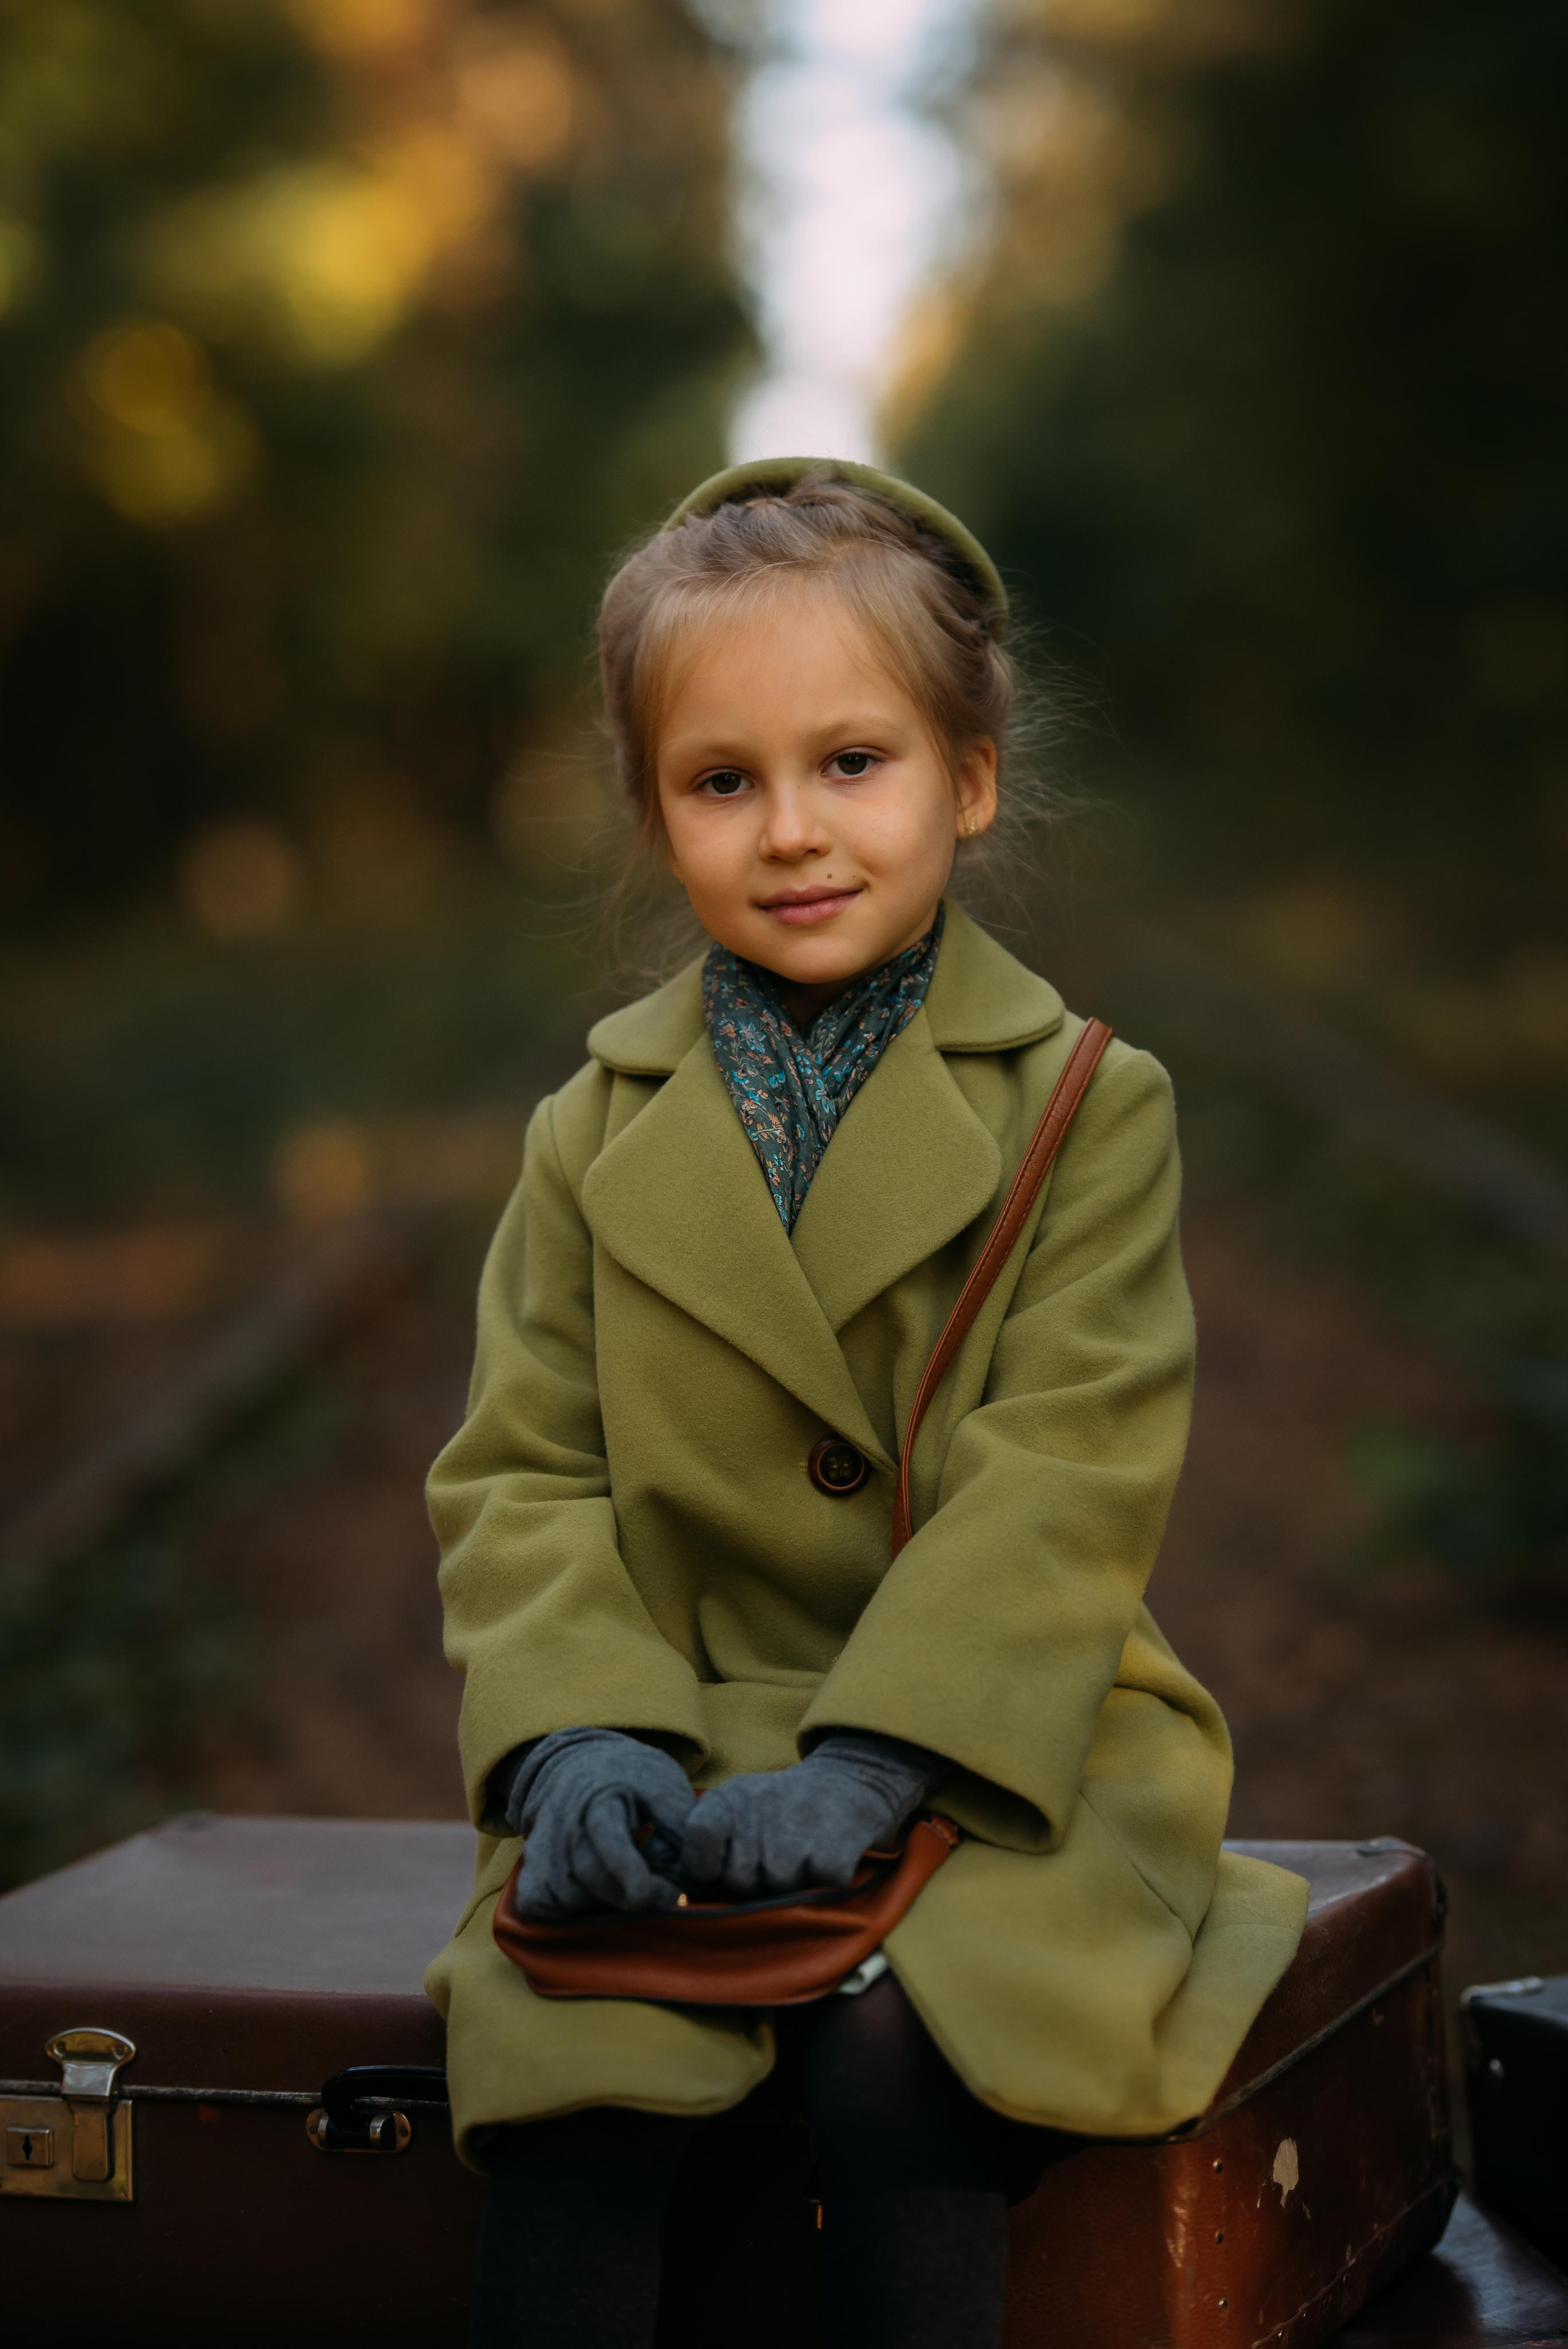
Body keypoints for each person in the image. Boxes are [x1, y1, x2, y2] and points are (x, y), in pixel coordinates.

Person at [424, 457, 1308, 2349]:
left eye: (852, 761)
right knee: (575, 2075)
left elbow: (1066, 1465)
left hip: (1002, 1738)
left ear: (967, 777)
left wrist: (882, 1758)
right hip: (669, 1734)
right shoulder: (588, 1133)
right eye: (721, 780)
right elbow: (522, 1468)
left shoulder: (1086, 1102)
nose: (793, 830)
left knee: (906, 2047)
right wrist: (581, 1736)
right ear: (654, 811)